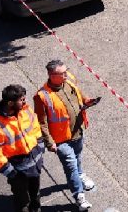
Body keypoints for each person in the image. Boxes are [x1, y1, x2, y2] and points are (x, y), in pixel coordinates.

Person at [34, 61, 99, 211]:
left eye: (66, 71)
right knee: (70, 166)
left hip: (77, 132)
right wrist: (49, 142)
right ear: (52, 75)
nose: (66, 75)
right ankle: (79, 197)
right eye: (62, 73)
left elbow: (79, 94)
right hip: (61, 140)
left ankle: (80, 175)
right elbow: (41, 122)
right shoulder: (41, 96)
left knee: (78, 157)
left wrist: (88, 101)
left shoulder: (68, 81)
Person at [0, 84, 45, 212]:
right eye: (21, 100)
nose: (25, 102)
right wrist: (11, 172)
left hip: (34, 164)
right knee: (23, 203)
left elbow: (35, 127)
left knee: (35, 197)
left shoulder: (25, 110)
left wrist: (40, 146)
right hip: (17, 171)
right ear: (10, 103)